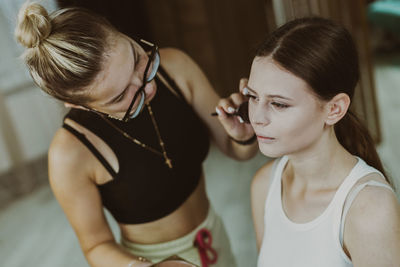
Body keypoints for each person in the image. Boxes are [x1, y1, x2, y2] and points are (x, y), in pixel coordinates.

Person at [15, 2, 258, 267]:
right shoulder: (70, 154)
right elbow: (96, 246)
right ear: (77, 104)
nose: (149, 86)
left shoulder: (176, 68)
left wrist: (243, 135)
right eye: (121, 96)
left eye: (137, 58)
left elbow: (237, 151)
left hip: (214, 237)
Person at [249, 17, 400, 267]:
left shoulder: (369, 209)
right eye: (253, 97)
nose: (257, 117)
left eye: (278, 103)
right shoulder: (265, 186)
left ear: (334, 109)